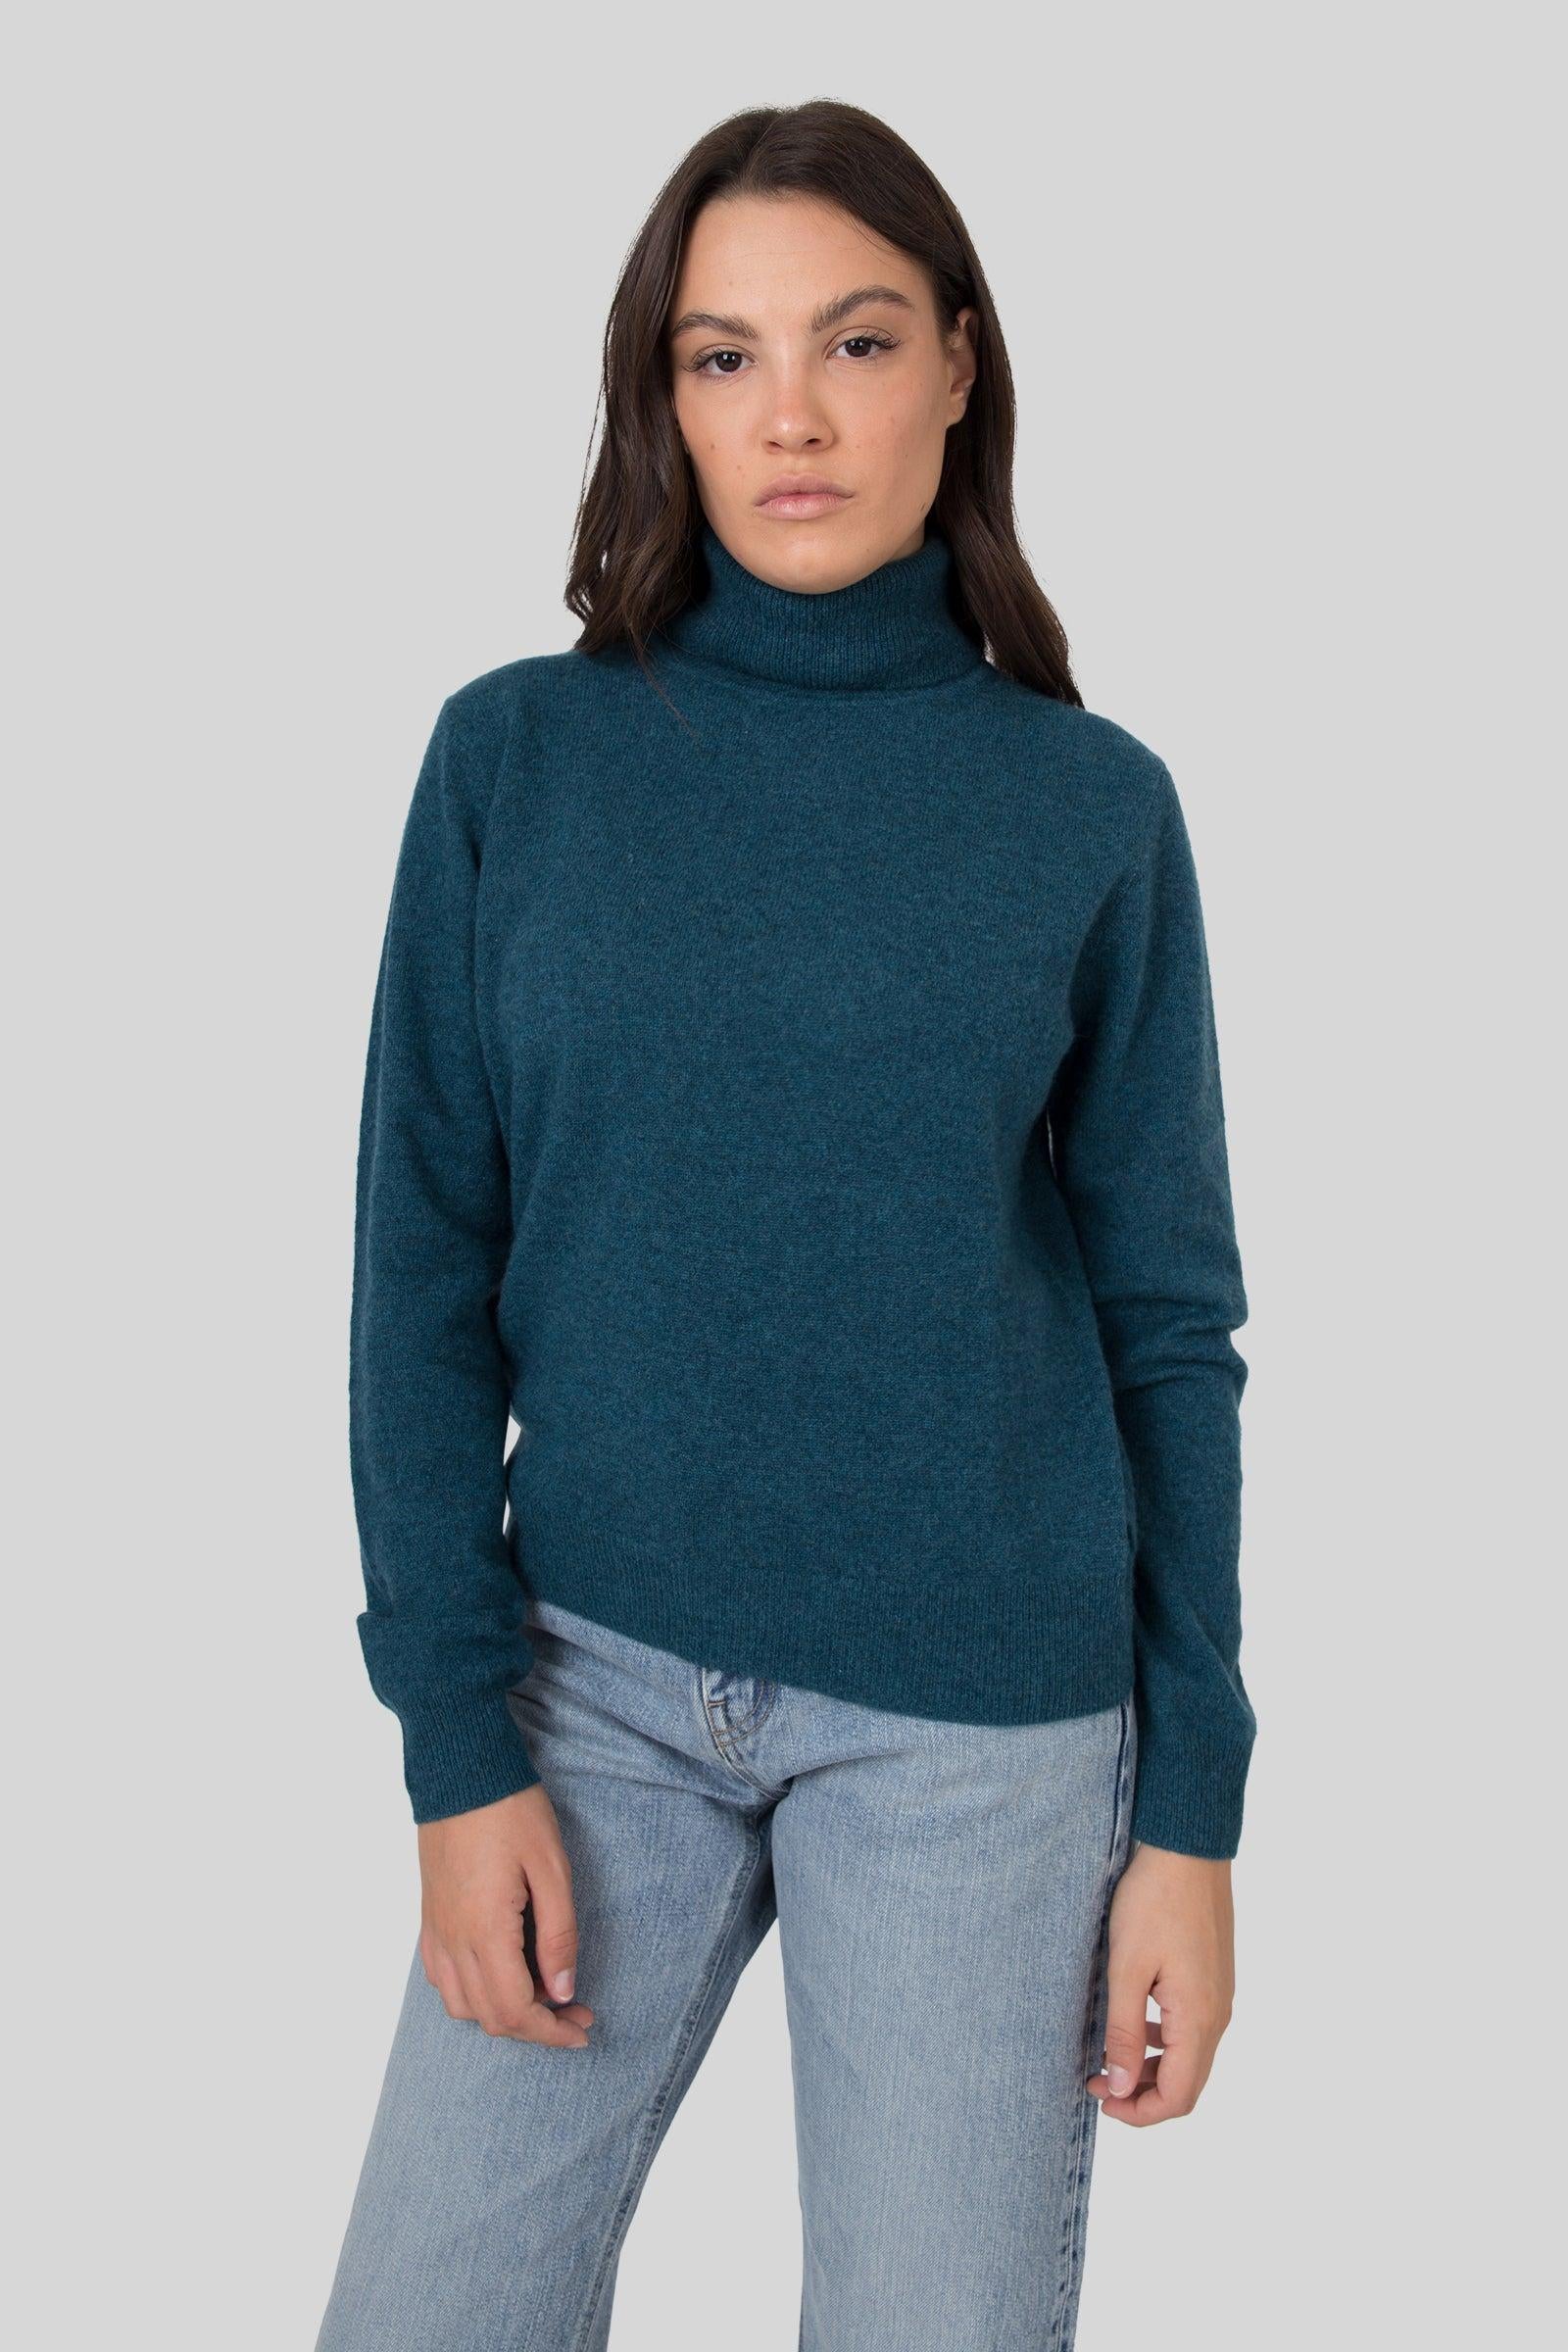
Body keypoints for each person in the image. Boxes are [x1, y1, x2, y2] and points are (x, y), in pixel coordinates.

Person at [316, 97, 1255, 2352]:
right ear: (660, 395)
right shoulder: (511, 763)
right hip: (585, 1690)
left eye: (852, 340)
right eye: (720, 357)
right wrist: (454, 1744)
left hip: (978, 1737)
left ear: (956, 362)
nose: (791, 416)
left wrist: (1192, 1822)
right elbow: (418, 1265)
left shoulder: (1086, 808)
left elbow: (1165, 1324)